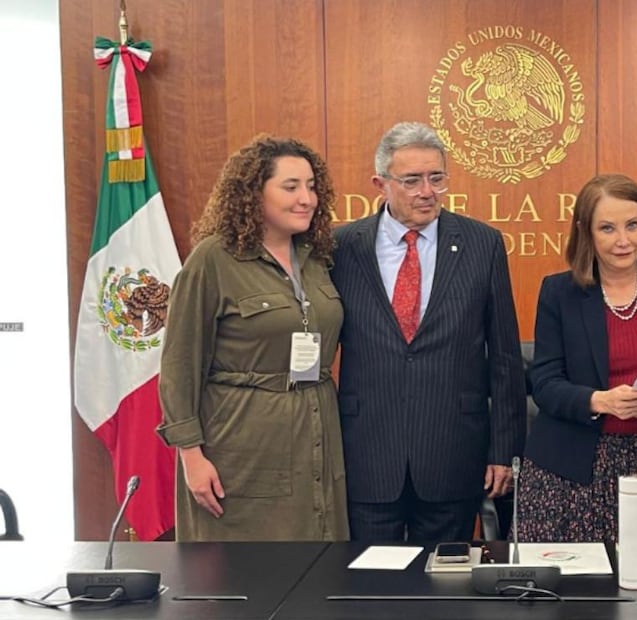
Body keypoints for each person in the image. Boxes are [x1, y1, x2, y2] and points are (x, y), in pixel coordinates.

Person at [330, 121, 525, 542]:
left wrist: (503, 451)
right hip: (367, 452)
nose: (427, 191)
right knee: (368, 590)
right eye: (412, 180)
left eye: (436, 178)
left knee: (445, 590)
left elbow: (506, 357)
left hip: (453, 451)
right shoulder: (341, 248)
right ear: (380, 184)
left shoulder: (482, 244)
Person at [156, 135, 349, 542]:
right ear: (252, 193)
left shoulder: (318, 258)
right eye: (291, 186)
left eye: (312, 186)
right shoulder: (213, 259)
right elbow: (179, 365)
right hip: (240, 443)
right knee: (244, 578)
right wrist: (191, 456)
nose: (307, 199)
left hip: (315, 432)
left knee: (316, 569)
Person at [515, 173, 637, 543]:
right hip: (566, 468)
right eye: (607, 228)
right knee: (568, 594)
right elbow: (546, 385)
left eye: (633, 225)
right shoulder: (559, 292)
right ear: (586, 232)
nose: (623, 240)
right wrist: (602, 401)